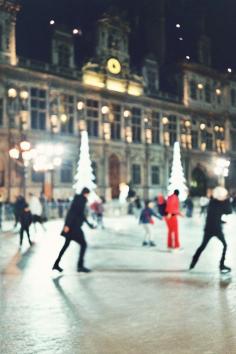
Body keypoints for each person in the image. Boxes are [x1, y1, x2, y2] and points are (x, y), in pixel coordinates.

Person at [189, 186, 232, 273]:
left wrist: (221, 221)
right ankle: (221, 264)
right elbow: (228, 211)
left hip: (210, 229)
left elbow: (215, 215)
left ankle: (194, 261)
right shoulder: (218, 204)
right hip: (214, 229)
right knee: (222, 245)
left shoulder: (213, 203)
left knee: (203, 246)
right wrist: (227, 200)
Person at [52, 187, 95, 273]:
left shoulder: (78, 199)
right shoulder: (81, 200)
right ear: (86, 193)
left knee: (66, 246)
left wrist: (88, 224)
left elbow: (77, 213)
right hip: (74, 227)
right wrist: (67, 225)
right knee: (83, 244)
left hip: (72, 226)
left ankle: (56, 264)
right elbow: (73, 213)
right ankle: (80, 266)